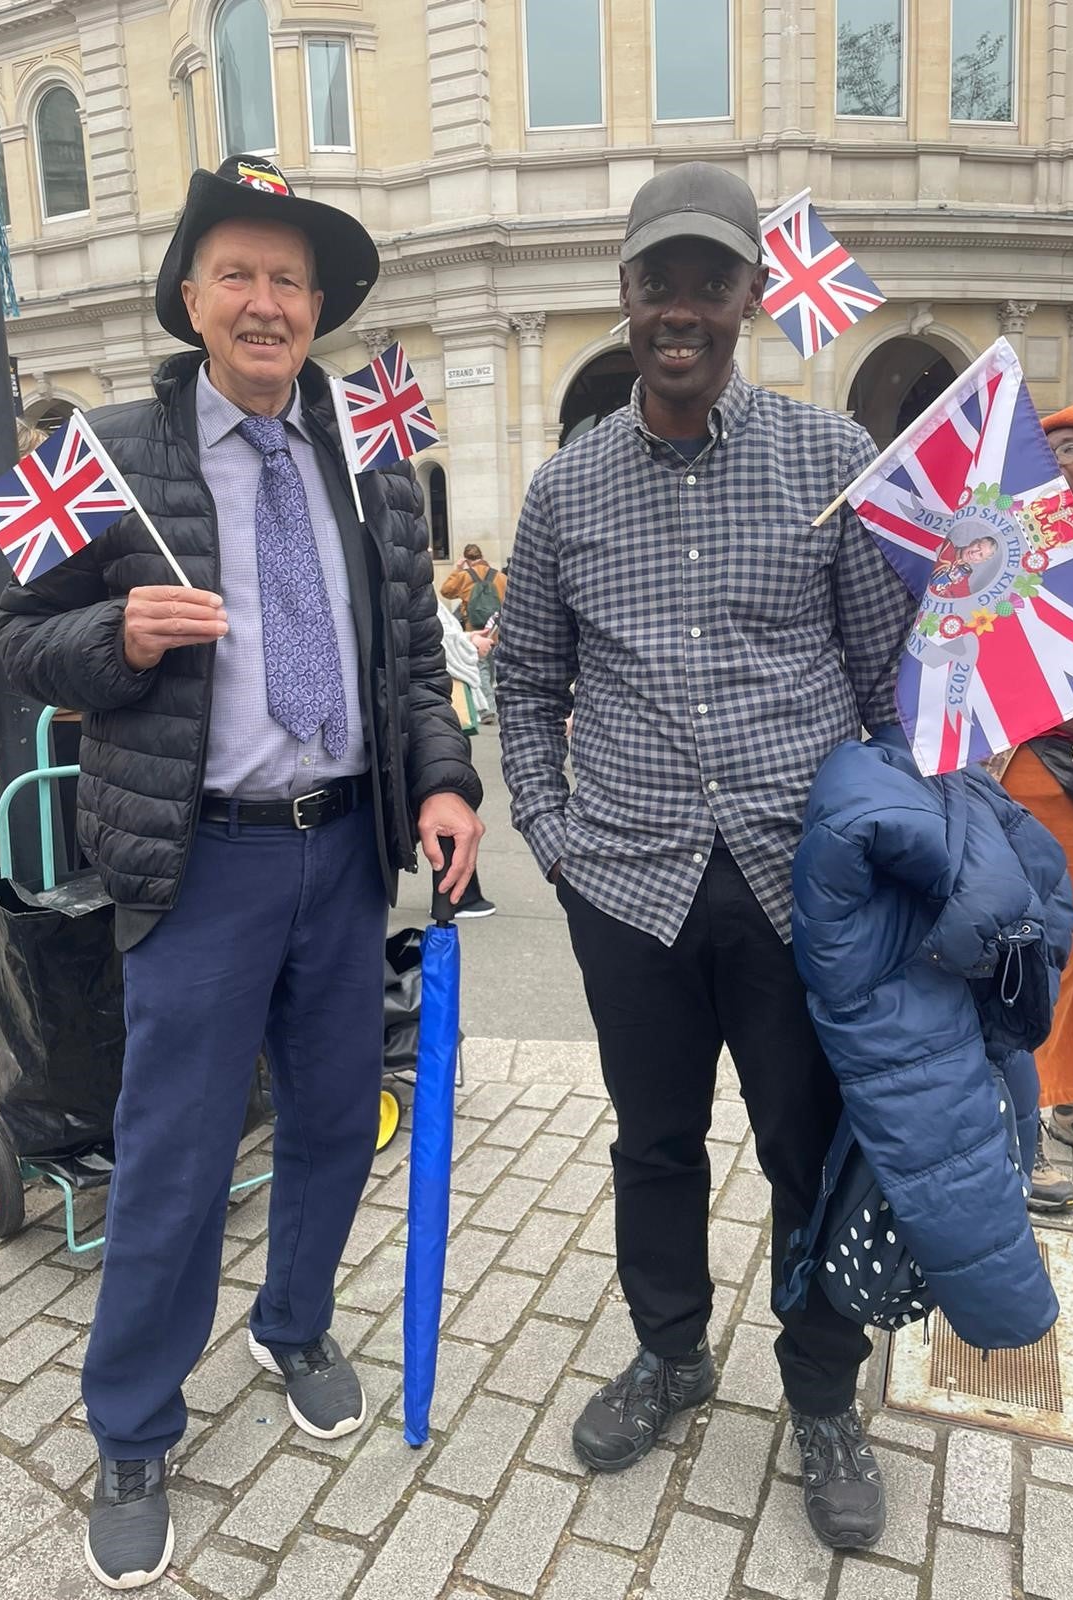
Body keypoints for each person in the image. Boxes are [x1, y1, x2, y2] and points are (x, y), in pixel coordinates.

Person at [0, 156, 483, 1591]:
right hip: (198, 864)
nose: (265, 302)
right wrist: (120, 639)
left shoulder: (369, 457)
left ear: (317, 306)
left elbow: (412, 659)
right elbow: (22, 639)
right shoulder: (108, 452)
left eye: (289, 279)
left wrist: (444, 780)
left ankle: (293, 1324)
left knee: (335, 1121)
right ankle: (133, 1426)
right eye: (238, 275)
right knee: (176, 1156)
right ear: (192, 296)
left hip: (343, 853)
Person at [498, 162, 916, 1551]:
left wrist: (905, 847)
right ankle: (672, 1350)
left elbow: (887, 677)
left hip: (803, 885)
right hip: (630, 884)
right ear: (624, 295)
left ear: (751, 296)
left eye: (710, 283)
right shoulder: (565, 491)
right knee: (656, 1141)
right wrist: (556, 840)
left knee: (810, 1147)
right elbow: (524, 684)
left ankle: (823, 1393)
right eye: (657, 282)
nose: (681, 309)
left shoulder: (824, 461)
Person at [1001, 402, 1073, 1211]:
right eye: (1051, 449)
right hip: (1047, 774)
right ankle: (1025, 1118)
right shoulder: (1025, 557)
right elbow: (980, 654)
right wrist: (1056, 707)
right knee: (1050, 949)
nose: (1059, 459)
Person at [436, 596, 496, 916]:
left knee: (451, 803)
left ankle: (457, 894)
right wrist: (469, 644)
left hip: (434, 716)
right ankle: (457, 895)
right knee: (453, 803)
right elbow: (431, 643)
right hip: (439, 715)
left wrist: (467, 638)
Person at [440, 542, 505, 721]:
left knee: (481, 666)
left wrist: (457, 569)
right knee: (493, 667)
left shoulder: (464, 576)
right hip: (497, 629)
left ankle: (489, 708)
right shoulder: (500, 577)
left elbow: (446, 591)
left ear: (466, 559)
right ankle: (496, 704)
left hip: (474, 629)